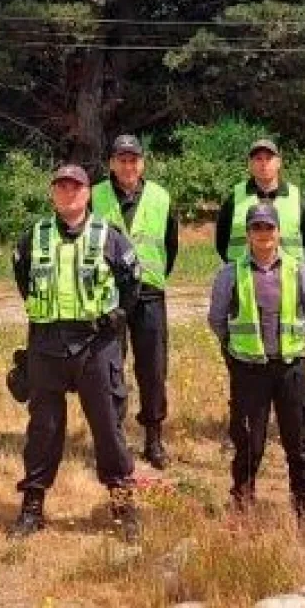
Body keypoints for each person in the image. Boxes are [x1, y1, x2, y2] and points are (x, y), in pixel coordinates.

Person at [9, 164, 143, 542]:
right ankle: (32, 507)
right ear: (53, 193)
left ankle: (123, 504)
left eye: (76, 187)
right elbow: (24, 281)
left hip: (95, 344)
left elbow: (131, 283)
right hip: (47, 343)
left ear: (88, 193)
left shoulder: (109, 237)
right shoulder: (33, 236)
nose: (69, 193)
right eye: (62, 187)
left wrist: (115, 316)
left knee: (108, 427)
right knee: (43, 429)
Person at [208, 202, 305, 526]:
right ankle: (242, 502)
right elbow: (217, 320)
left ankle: (303, 508)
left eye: (268, 227)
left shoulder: (298, 270)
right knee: (248, 443)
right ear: (248, 233)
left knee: (298, 442)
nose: (263, 234)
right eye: (256, 227)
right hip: (249, 370)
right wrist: (236, 351)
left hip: (290, 369)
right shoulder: (230, 273)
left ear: (278, 231)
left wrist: (292, 348)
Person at [90, 134, 179, 470]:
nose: (128, 166)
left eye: (134, 159)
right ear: (112, 163)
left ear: (142, 163)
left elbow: (170, 245)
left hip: (150, 294)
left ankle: (153, 438)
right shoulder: (94, 195)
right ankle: (113, 438)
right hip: (108, 295)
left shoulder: (160, 197)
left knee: (153, 369)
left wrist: (150, 277)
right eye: (121, 159)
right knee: (109, 368)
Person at [214, 139, 305, 266]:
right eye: (258, 159)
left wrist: (298, 273)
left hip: (289, 278)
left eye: (268, 158)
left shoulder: (296, 199)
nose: (263, 164)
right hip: (242, 278)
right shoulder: (234, 199)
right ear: (250, 164)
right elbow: (221, 241)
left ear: (278, 163)